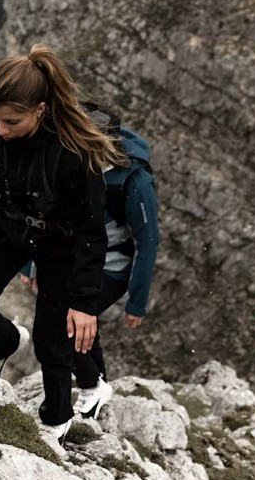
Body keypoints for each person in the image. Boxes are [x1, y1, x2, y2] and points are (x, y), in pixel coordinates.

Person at [0, 45, 122, 444]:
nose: (1, 129)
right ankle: (5, 342)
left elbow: (93, 231)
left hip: (62, 244)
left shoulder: (76, 150)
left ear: (40, 109)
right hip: (7, 224)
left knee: (52, 340)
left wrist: (84, 302)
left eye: (12, 121)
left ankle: (55, 422)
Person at [19, 120, 159, 419]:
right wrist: (31, 263)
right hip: (75, 262)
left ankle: (90, 385)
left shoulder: (133, 181)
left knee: (66, 325)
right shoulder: (73, 163)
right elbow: (48, 215)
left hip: (112, 268)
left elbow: (147, 242)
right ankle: (99, 387)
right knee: (79, 324)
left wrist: (137, 301)